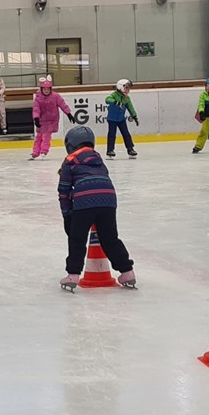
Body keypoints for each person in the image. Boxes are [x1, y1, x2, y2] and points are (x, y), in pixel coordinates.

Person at [56, 124, 136, 292]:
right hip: (108, 199)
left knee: (77, 239)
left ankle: (73, 275)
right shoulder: (98, 159)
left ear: (70, 144)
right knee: (110, 238)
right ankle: (127, 272)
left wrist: (67, 213)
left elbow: (63, 189)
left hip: (84, 201)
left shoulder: (70, 161)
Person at [30, 76, 66, 159]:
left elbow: (62, 104)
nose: (46, 91)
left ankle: (44, 150)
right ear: (41, 89)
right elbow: (36, 109)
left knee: (46, 136)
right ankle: (35, 152)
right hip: (42, 120)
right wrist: (36, 118)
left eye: (48, 89)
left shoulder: (55, 96)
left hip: (51, 120)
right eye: (45, 89)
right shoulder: (38, 98)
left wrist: (68, 113)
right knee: (39, 136)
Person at [104, 78, 139, 158]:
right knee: (112, 134)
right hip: (112, 119)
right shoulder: (114, 95)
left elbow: (130, 107)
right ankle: (110, 150)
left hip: (121, 119)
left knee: (126, 134)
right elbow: (107, 99)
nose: (128, 90)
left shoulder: (127, 98)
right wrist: (116, 102)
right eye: (126, 88)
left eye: (128, 88)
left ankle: (130, 149)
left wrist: (134, 116)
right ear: (121, 87)